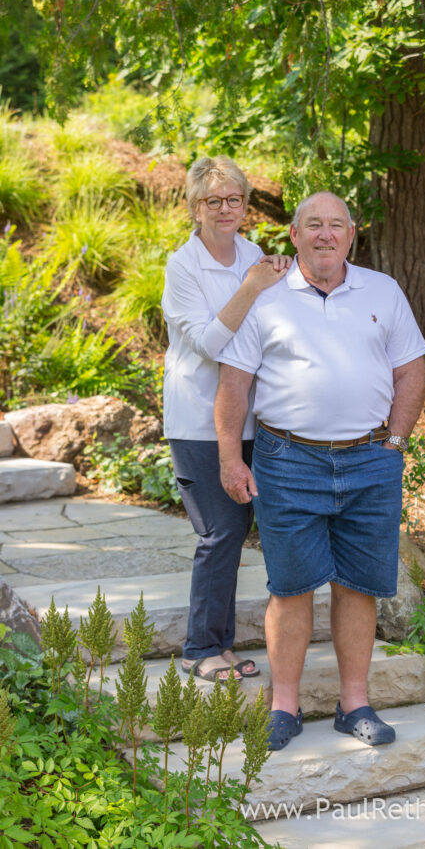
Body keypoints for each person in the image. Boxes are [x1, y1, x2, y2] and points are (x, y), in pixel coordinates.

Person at [215, 190, 425, 749]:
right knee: (291, 587)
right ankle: (282, 706)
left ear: (352, 234)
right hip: (288, 462)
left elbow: (411, 371)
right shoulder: (266, 299)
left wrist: (397, 442)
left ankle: (353, 703)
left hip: (371, 459)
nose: (325, 234)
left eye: (336, 225)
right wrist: (231, 459)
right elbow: (234, 385)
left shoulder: (383, 291)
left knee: (358, 586)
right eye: (313, 225)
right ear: (294, 235)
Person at [161, 155, 290, 683]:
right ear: (195, 208)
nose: (225, 209)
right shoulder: (182, 266)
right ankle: (198, 649)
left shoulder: (253, 254)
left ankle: (222, 646)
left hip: (253, 417)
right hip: (197, 421)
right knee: (218, 532)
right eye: (212, 201)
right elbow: (211, 343)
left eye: (233, 199)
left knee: (237, 533)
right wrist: (254, 286)